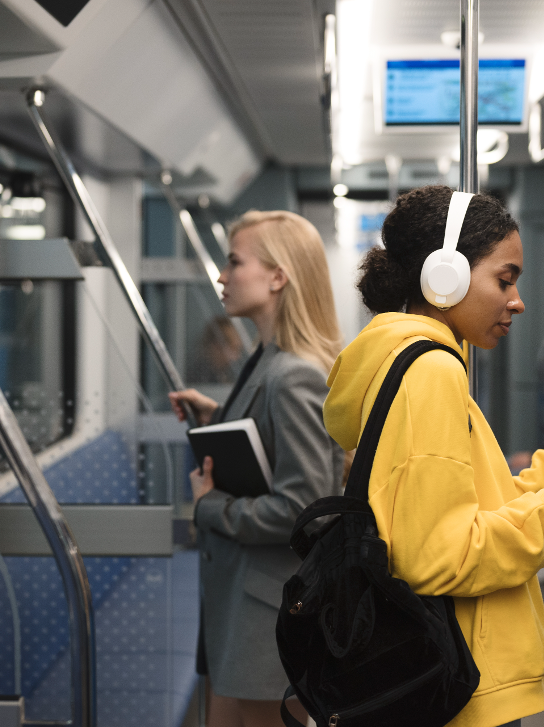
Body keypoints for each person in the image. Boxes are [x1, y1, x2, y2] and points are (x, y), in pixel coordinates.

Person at [323, 186, 544, 727]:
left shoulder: (405, 360)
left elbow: (470, 507)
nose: (517, 300)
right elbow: (440, 557)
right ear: (446, 276)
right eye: (504, 279)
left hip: (449, 671)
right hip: (460, 680)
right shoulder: (431, 372)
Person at [169, 210, 344, 727]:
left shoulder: (292, 377)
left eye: (233, 262)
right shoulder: (267, 361)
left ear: (277, 276)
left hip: (266, 613)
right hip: (242, 604)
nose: (221, 276)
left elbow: (302, 512)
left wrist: (210, 507)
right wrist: (220, 420)